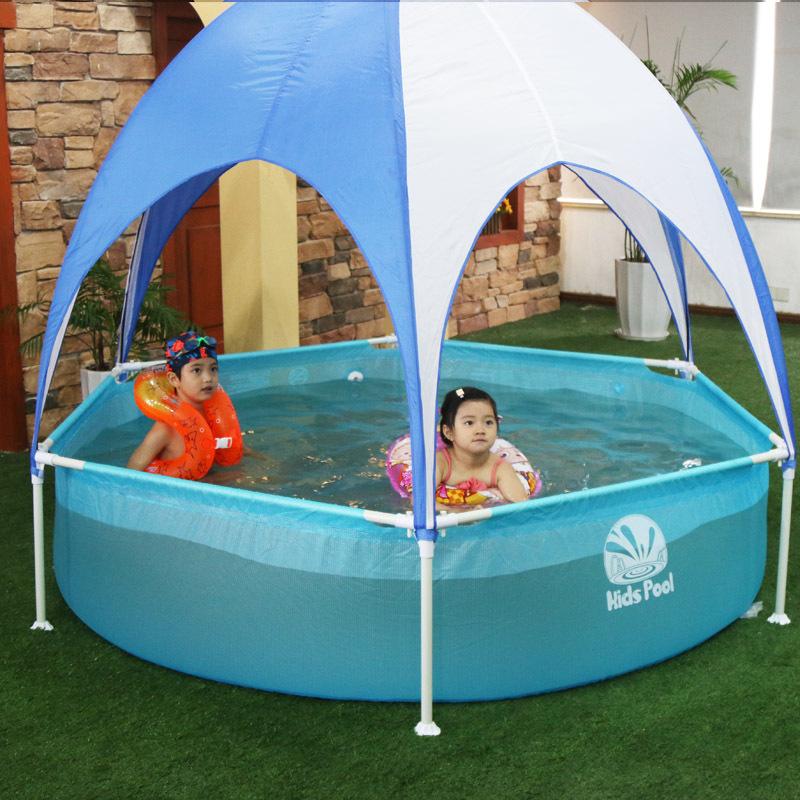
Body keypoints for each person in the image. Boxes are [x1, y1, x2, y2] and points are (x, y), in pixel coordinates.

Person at [127, 332, 242, 476]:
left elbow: (234, 447)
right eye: (197, 370)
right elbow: (131, 472)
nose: (208, 378)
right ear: (174, 379)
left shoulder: (213, 417)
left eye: (213, 369)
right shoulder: (164, 430)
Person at [435, 386, 529, 506]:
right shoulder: (440, 463)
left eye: (488, 422)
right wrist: (456, 511)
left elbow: (521, 505)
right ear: (449, 432)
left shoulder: (500, 468)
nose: (480, 430)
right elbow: (418, 501)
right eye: (469, 423)